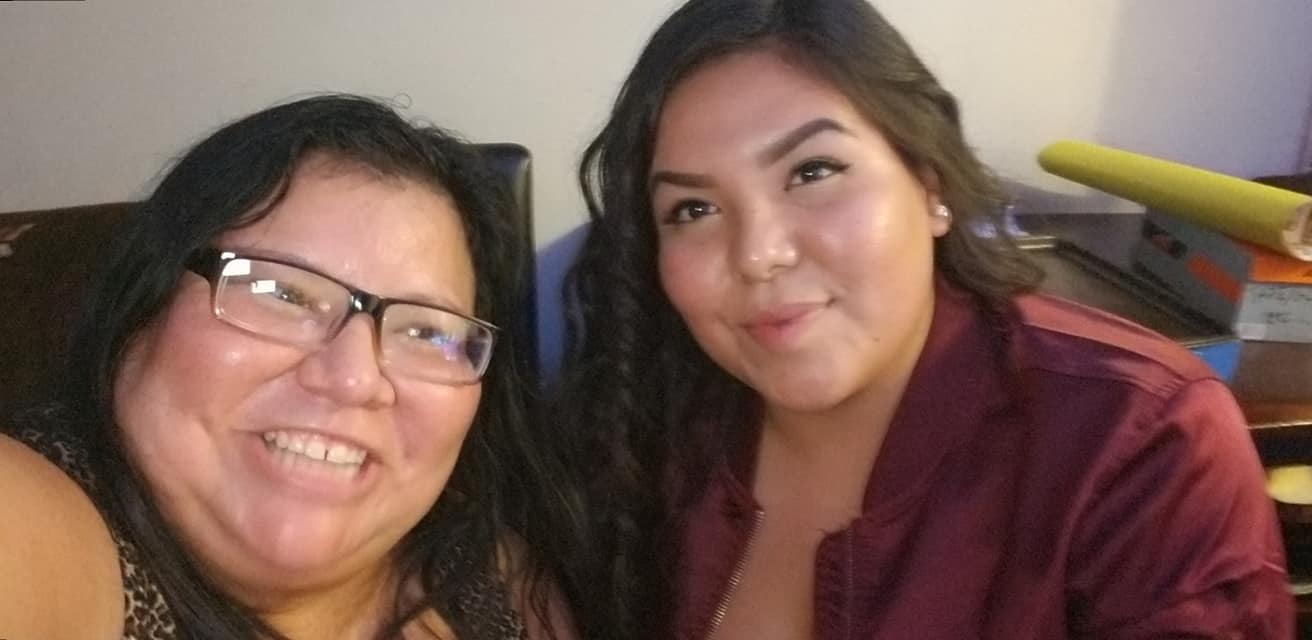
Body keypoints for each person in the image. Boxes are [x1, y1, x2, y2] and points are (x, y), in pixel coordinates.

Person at [554, 1, 1293, 638]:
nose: (758, 255)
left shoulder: (1142, 444)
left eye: (813, 172)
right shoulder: (643, 421)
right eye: (693, 209)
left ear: (930, 182)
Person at [1, 95, 576, 640]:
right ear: (138, 311)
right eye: (279, 292)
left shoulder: (490, 571)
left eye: (426, 331)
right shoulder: (31, 526)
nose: (354, 379)